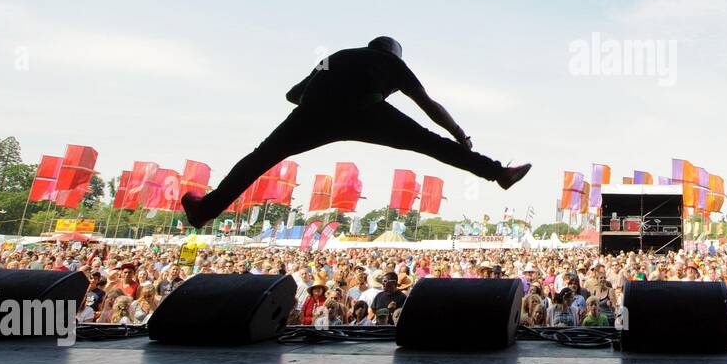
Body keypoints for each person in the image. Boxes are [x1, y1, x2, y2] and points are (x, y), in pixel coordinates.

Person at [181, 37, 532, 227]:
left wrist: (318, 102)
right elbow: (428, 105)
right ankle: (497, 172)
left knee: (260, 158)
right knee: (430, 143)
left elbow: (291, 95)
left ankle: (206, 210)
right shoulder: (393, 63)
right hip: (366, 111)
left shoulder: (337, 54)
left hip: (313, 113)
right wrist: (460, 134)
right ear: (393, 53)